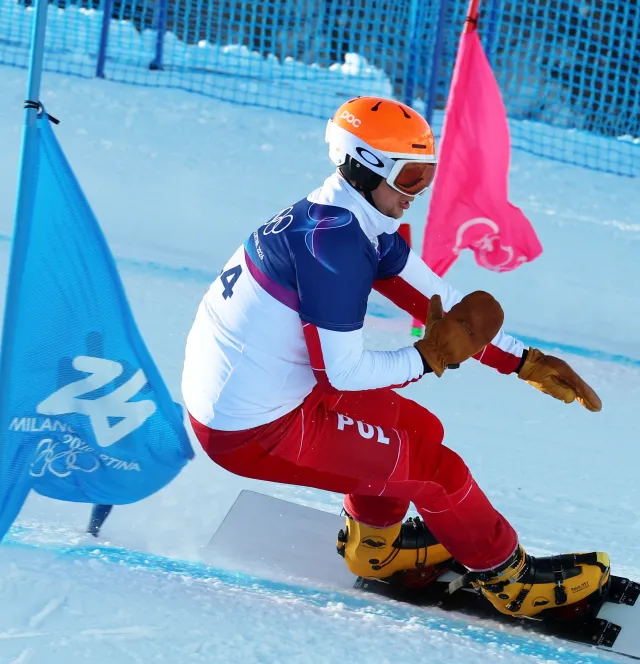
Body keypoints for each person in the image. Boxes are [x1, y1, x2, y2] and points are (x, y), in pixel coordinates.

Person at [181, 96, 609, 618]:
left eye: (428, 175)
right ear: (364, 168)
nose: (419, 194)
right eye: (410, 178)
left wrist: (524, 362)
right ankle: (510, 581)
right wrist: (427, 357)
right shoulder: (332, 247)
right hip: (253, 432)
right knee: (438, 473)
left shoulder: (348, 218)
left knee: (422, 430)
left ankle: (375, 546)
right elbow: (345, 372)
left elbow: (443, 306)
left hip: (267, 400)